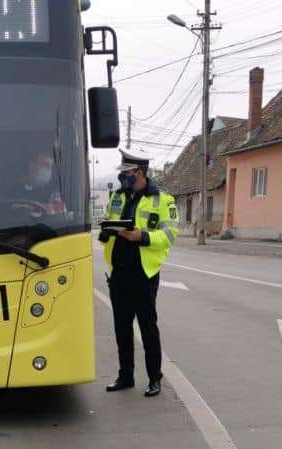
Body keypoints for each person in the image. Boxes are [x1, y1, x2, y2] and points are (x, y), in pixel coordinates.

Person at [99, 149, 179, 397]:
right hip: (119, 272)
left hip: (144, 273)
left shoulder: (163, 200)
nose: (124, 178)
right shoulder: (117, 197)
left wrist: (141, 236)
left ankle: (155, 378)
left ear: (141, 173)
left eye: (128, 174)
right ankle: (126, 376)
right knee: (121, 327)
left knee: (147, 327)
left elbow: (169, 235)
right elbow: (106, 221)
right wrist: (107, 230)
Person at [0, 151, 65, 217]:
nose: (48, 171)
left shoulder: (53, 194)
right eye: (45, 165)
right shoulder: (2, 187)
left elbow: (60, 217)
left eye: (51, 167)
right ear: (31, 165)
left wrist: (27, 208)